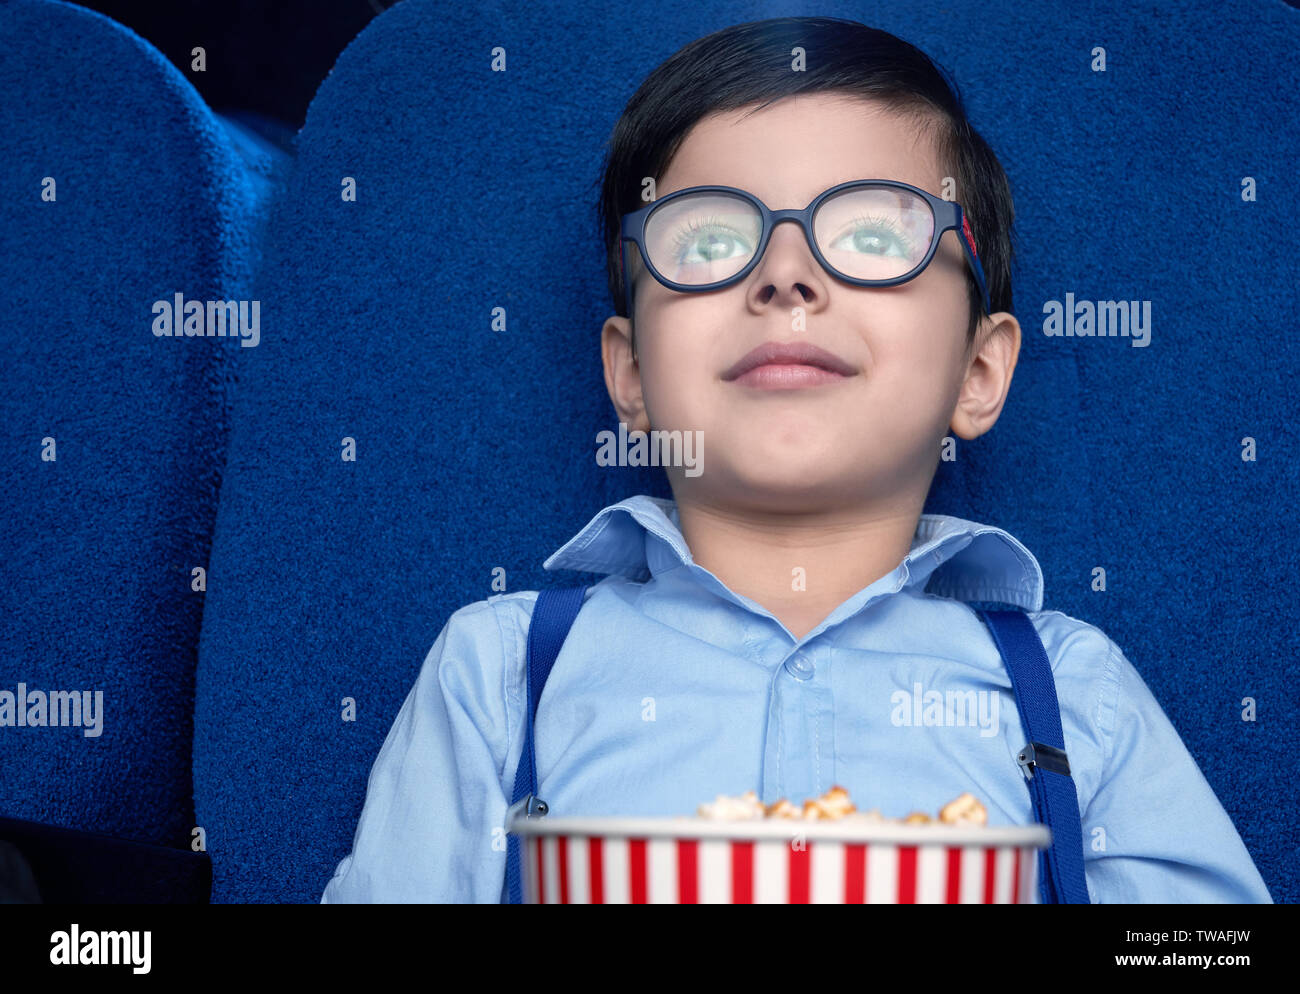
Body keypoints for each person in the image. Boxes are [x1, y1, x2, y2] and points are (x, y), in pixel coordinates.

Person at [321, 16, 1272, 904]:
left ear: (978, 372)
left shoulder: (1071, 690)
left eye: (873, 235)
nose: (784, 274)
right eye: (708, 242)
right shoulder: (501, 672)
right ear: (632, 376)